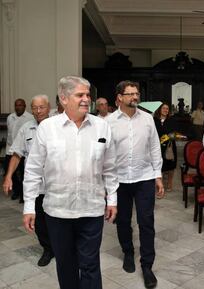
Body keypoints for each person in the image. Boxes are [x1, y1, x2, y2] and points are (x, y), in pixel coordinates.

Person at [23, 76, 118, 289]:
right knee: (66, 265)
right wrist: (29, 206)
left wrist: (112, 200)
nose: (86, 99)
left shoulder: (102, 127)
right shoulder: (47, 128)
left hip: (91, 210)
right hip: (58, 212)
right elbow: (33, 169)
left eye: (87, 95)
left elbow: (110, 168)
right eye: (80, 95)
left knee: (90, 265)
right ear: (64, 98)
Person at [107, 80, 163, 289]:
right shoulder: (109, 122)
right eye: (130, 94)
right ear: (119, 97)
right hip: (119, 179)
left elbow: (155, 148)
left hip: (144, 177)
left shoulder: (148, 119)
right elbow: (105, 154)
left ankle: (147, 265)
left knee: (146, 221)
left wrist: (157, 176)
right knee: (122, 221)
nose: (135, 97)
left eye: (136, 93)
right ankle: (128, 252)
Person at [3, 94, 54, 266]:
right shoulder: (26, 128)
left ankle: (62, 248)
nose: (38, 111)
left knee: (58, 220)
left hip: (57, 186)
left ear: (49, 107)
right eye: (35, 107)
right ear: (31, 109)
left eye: (42, 107)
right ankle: (48, 249)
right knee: (39, 222)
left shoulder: (57, 126)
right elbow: (17, 153)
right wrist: (8, 176)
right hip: (37, 186)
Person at [4, 98, 34, 202]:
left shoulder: (30, 118)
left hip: (24, 151)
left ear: (25, 106)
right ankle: (16, 190)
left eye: (20, 105)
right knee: (9, 171)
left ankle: (23, 195)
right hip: (10, 149)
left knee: (23, 174)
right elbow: (9, 134)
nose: (18, 107)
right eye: (16, 105)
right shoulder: (10, 117)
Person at [154, 102, 177, 193]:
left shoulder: (171, 120)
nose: (165, 110)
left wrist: (168, 135)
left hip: (169, 145)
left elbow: (174, 131)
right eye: (164, 108)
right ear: (160, 109)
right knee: (160, 165)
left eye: (167, 109)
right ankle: (161, 183)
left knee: (170, 165)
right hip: (158, 146)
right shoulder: (154, 120)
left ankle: (170, 183)